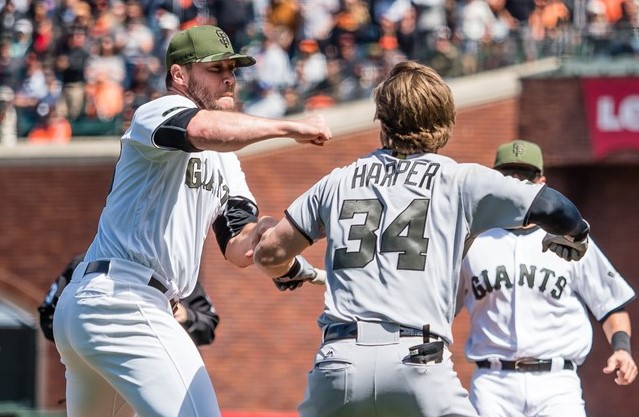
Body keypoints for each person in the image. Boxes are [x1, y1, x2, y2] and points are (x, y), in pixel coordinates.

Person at [252, 61, 591, 417]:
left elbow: (269, 253)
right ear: (445, 120)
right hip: (418, 361)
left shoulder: (337, 181)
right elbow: (554, 207)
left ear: (382, 120)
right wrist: (577, 233)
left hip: (340, 363)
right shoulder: (460, 181)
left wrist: (288, 269)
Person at [52, 24, 332, 417]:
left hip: (105, 304)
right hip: (123, 299)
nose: (230, 77)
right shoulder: (158, 111)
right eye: (216, 69)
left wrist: (282, 240)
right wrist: (289, 126)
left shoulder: (227, 163)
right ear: (179, 75)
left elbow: (240, 246)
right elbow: (203, 130)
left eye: (233, 68)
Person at [457, 139, 637, 417]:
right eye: (508, 176)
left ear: (541, 182)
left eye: (525, 176)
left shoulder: (571, 239)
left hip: (556, 384)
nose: (517, 183)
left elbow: (612, 305)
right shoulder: (472, 243)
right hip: (493, 383)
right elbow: (440, 308)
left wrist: (622, 349)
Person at [39, 253, 220, 346]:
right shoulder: (87, 263)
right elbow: (48, 316)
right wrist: (86, 326)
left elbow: (208, 324)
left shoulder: (175, 267)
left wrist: (186, 316)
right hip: (97, 371)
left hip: (161, 374)